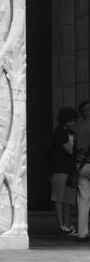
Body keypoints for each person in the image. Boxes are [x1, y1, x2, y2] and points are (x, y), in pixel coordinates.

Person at [51, 106, 78, 235]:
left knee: (68, 200)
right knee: (59, 199)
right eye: (70, 121)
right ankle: (61, 226)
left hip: (70, 170)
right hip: (59, 169)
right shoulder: (58, 133)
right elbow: (70, 150)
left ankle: (67, 225)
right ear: (64, 121)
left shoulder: (72, 133)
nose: (73, 123)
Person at [72, 103, 90, 242]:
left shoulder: (78, 128)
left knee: (83, 200)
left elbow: (74, 148)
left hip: (82, 166)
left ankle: (82, 232)